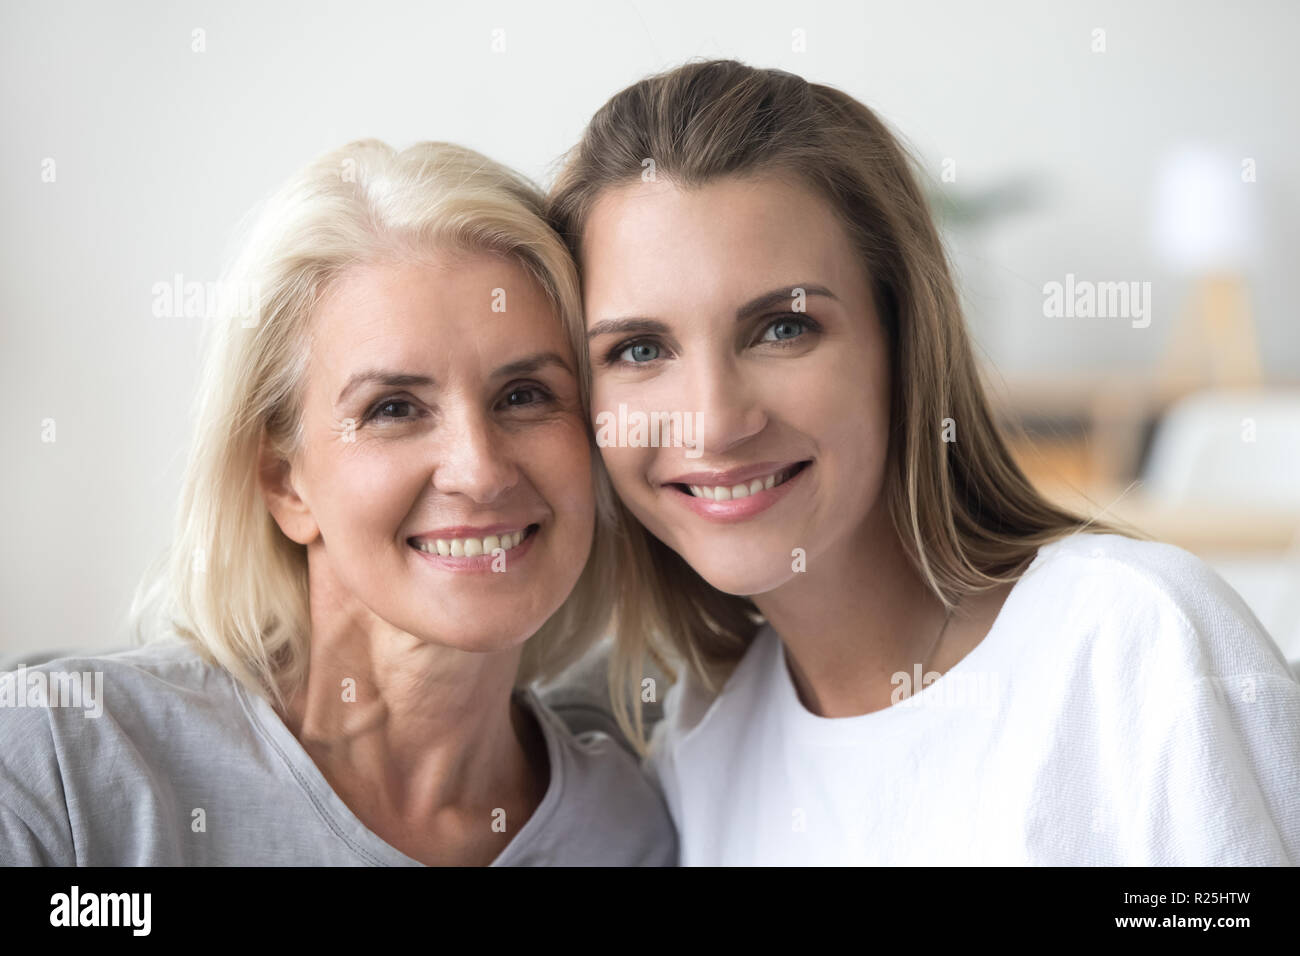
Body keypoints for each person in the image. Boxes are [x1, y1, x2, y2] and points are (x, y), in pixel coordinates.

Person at [546, 59, 1300, 864]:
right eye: (638, 349)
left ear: (901, 342)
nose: (718, 421)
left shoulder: (1135, 644)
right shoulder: (703, 738)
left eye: (783, 328)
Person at [0, 139, 676, 866]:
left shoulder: (632, 828)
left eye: (524, 395)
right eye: (394, 408)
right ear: (285, 483)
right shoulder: (62, 764)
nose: (479, 472)